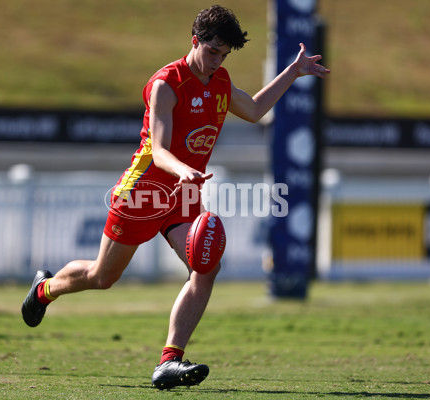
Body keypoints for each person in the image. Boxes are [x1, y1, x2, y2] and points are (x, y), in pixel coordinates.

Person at [21, 4, 330, 390]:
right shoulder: (167, 83)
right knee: (102, 277)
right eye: (213, 51)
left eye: (225, 55)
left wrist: (293, 73)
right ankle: (44, 290)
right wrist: (181, 169)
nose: (217, 61)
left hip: (183, 196)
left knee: (206, 265)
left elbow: (253, 110)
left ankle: (170, 361)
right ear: (195, 41)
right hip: (144, 191)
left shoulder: (219, 81)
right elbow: (159, 148)